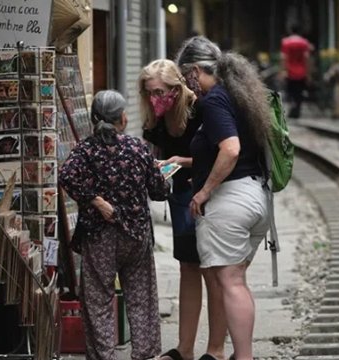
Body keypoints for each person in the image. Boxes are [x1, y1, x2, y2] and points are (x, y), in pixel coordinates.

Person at [175, 36, 272, 360]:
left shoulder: (214, 99)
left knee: (230, 283)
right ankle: (240, 354)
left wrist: (204, 191)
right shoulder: (239, 95)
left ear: (194, 71)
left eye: (185, 77)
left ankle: (244, 357)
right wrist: (196, 166)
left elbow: (230, 148)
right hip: (256, 197)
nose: (188, 87)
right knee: (236, 282)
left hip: (230, 202)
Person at [58, 90, 170, 360]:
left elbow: (67, 176)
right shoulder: (137, 148)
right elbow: (158, 191)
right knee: (141, 296)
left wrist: (96, 201)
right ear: (122, 118)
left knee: (97, 298)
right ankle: (143, 354)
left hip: (100, 236)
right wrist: (165, 177)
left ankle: (104, 356)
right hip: (135, 235)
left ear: (95, 118)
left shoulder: (85, 150)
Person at [138, 59, 220, 360]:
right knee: (187, 265)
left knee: (213, 269)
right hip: (181, 194)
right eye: (149, 92)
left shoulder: (200, 109)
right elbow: (154, 152)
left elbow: (221, 158)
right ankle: (184, 349)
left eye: (160, 92)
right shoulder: (156, 117)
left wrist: (181, 162)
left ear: (176, 88)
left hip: (208, 192)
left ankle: (216, 350)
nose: (154, 98)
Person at [281, 24, 312, 118]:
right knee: (299, 91)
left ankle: (292, 107)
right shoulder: (304, 43)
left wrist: (283, 71)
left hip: (290, 71)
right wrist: (308, 73)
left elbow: (283, 57)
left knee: (290, 90)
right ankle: (297, 108)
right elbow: (307, 58)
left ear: (291, 31)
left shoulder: (286, 42)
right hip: (301, 71)